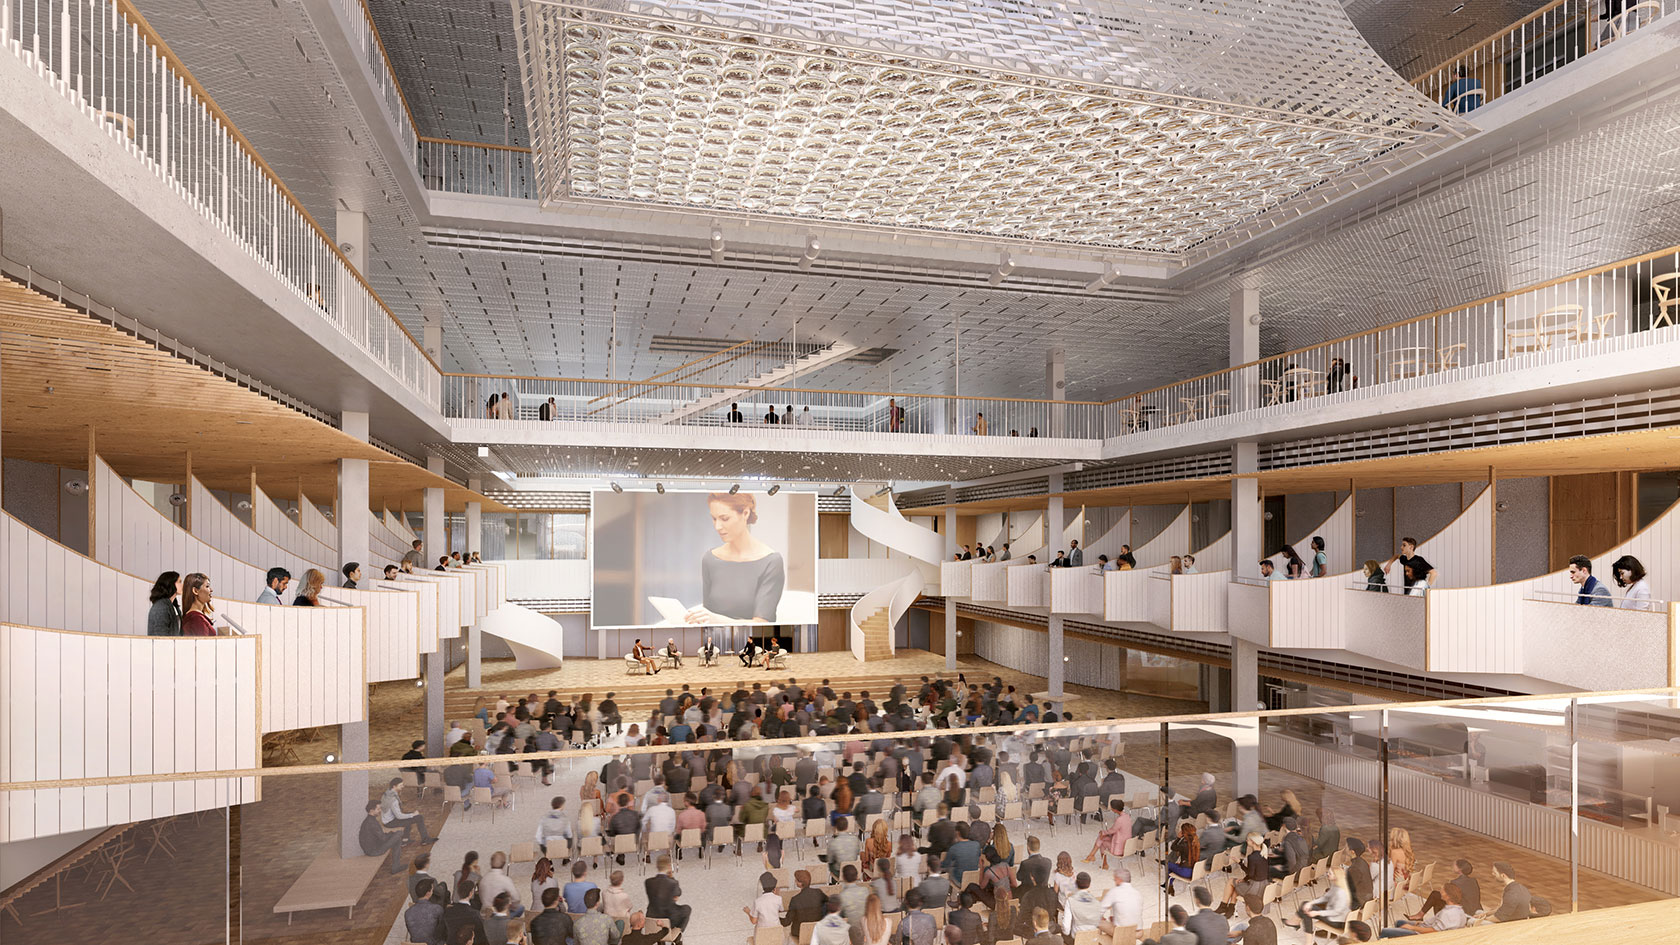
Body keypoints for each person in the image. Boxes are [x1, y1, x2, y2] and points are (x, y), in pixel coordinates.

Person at [683, 492, 785, 625]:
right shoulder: (710, 559)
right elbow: (707, 614)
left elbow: (761, 624)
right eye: (714, 519)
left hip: (753, 641)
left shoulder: (771, 562)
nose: (717, 526)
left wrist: (716, 620)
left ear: (745, 513)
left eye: (724, 518)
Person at [1382, 881, 1467, 936]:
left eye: (1442, 890)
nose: (1440, 891)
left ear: (1448, 896)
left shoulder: (1447, 913)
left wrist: (1413, 928)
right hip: (1424, 926)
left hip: (1422, 934)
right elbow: (1436, 922)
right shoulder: (1460, 911)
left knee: (1384, 932)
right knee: (1399, 923)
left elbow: (1434, 931)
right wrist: (1420, 923)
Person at [1408, 859, 1481, 921]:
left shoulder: (1455, 883)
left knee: (1435, 896)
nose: (1452, 866)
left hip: (1464, 911)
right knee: (1437, 898)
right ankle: (1429, 917)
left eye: (1454, 865)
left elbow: (1450, 898)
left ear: (1459, 869)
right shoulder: (1473, 880)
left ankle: (1421, 916)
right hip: (1473, 909)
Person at [1285, 866, 1350, 935]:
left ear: (1335, 876)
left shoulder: (1340, 892)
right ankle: (1295, 924)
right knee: (1306, 906)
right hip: (1335, 917)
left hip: (1336, 921)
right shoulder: (1337, 885)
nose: (1327, 874)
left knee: (1307, 911)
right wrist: (1311, 903)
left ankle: (1297, 926)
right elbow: (1326, 897)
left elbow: (1336, 912)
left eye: (1330, 873)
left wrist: (1317, 913)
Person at [357, 799, 407, 874]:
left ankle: (396, 866)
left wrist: (392, 834)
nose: (380, 811)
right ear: (371, 810)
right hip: (374, 851)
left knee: (397, 838)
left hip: (372, 847)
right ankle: (395, 867)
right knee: (399, 833)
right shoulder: (372, 823)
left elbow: (380, 836)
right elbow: (383, 838)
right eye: (378, 809)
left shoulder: (370, 820)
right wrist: (393, 834)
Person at [381, 776, 436, 843]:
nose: (403, 786)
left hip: (387, 820)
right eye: (401, 785)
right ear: (394, 786)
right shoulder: (393, 800)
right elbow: (399, 816)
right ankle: (425, 839)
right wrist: (413, 814)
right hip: (391, 822)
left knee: (409, 818)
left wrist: (410, 815)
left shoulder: (387, 793)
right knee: (419, 817)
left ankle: (405, 840)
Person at [644, 855, 689, 932]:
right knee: (687, 909)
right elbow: (678, 893)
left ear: (657, 866)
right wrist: (671, 877)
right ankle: (678, 933)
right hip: (669, 917)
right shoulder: (673, 883)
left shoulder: (648, 882)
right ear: (669, 866)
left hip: (652, 915)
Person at [782, 869, 828, 939]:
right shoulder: (818, 892)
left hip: (800, 934)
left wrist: (775, 917)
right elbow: (829, 902)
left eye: (796, 880)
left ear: (800, 883)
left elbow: (787, 922)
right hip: (817, 931)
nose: (795, 881)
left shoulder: (795, 900)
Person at [445, 879, 490, 945]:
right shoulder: (474, 914)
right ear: (471, 893)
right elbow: (482, 938)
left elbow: (441, 932)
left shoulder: (448, 911)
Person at [405, 878, 446, 945]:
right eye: (432, 889)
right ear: (428, 893)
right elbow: (442, 930)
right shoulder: (437, 909)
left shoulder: (407, 912)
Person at [147, 571, 183, 636]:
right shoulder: (161, 607)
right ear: (171, 583)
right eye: (179, 582)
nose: (182, 585)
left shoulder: (174, 606)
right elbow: (159, 636)